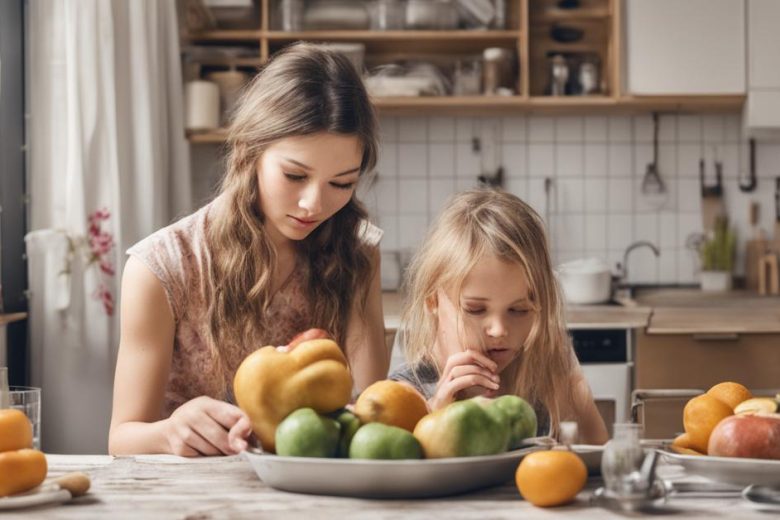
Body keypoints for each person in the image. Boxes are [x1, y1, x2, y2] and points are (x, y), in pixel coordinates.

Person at [109, 43, 388, 456]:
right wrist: (170, 432)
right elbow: (121, 439)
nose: (314, 204)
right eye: (295, 175)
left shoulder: (357, 254)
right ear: (249, 152)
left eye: (341, 183)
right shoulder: (160, 269)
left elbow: (370, 412)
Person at [391, 189, 608, 444]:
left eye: (519, 310)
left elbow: (599, 454)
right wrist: (435, 415)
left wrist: (570, 386)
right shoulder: (404, 396)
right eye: (476, 310)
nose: (499, 330)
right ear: (433, 301)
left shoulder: (544, 371)